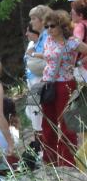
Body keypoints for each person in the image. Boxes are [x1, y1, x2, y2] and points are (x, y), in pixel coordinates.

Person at [30, 10, 87, 166]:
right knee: (47, 123)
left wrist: (79, 63)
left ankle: (67, 161)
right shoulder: (48, 39)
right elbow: (48, 57)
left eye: (52, 26)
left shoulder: (72, 42)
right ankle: (50, 160)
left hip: (65, 83)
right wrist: (34, 55)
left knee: (66, 123)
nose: (49, 29)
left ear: (62, 26)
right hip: (47, 83)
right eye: (47, 26)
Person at [24, 5, 51, 135]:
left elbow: (49, 57)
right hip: (34, 80)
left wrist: (33, 54)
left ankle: (42, 141)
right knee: (34, 112)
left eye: (34, 18)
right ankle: (40, 141)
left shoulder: (48, 36)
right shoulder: (41, 37)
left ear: (42, 19)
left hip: (42, 80)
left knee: (39, 114)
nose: (31, 22)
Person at [71, 0, 87, 83]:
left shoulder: (80, 26)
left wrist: (78, 63)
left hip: (83, 68)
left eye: (72, 13)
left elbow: (75, 45)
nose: (71, 15)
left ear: (80, 15)